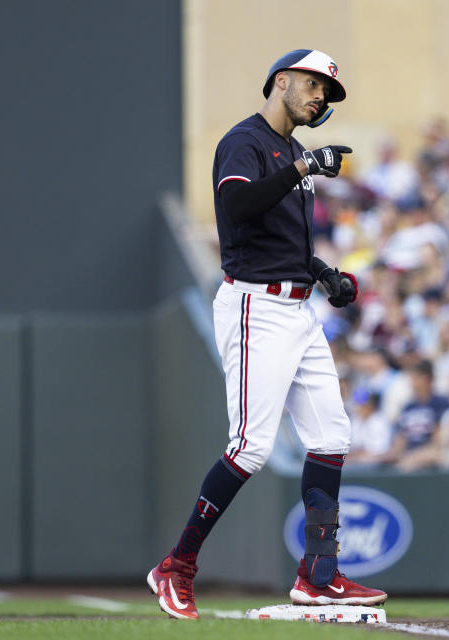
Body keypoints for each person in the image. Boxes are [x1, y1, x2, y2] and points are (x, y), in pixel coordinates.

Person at [147, 49, 386, 619]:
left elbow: (286, 244)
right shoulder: (245, 142)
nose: (320, 96)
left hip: (297, 308)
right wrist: (302, 170)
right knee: (250, 446)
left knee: (331, 434)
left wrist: (325, 274)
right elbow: (237, 205)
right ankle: (176, 566)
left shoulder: (292, 152)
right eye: (312, 84)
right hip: (256, 305)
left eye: (326, 91)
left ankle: (318, 575)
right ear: (282, 80)